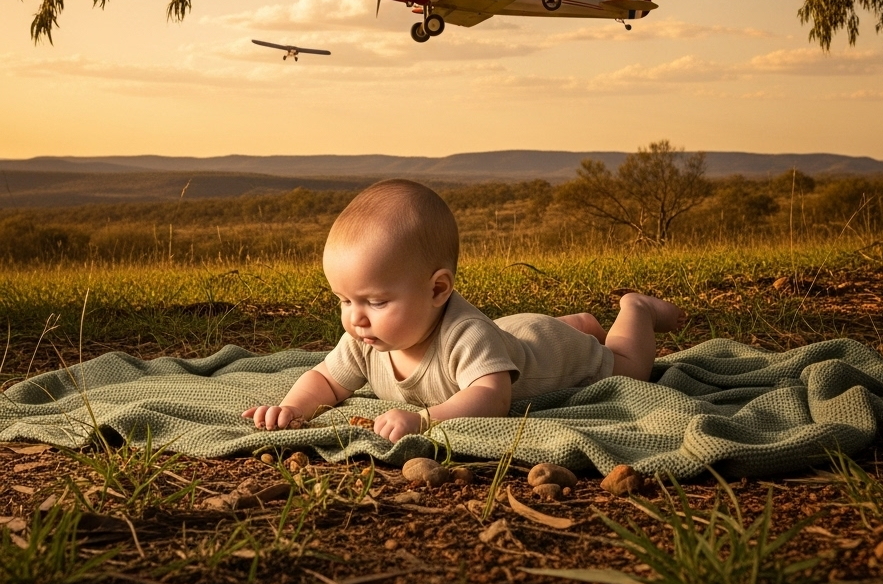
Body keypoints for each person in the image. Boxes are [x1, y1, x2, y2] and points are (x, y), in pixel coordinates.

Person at [242, 180, 686, 441]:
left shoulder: (467, 335)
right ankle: (580, 324)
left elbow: (493, 397)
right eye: (345, 300)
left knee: (628, 369)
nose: (356, 318)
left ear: (438, 290)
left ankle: (636, 309)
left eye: (375, 302)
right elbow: (325, 379)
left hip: (551, 354)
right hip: (512, 334)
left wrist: (424, 420)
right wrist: (293, 408)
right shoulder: (365, 338)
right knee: (523, 336)